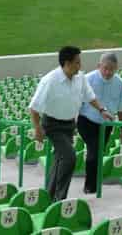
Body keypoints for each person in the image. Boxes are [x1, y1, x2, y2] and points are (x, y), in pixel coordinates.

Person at [29, 46, 112, 201]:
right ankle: (59, 198)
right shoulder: (50, 80)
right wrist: (37, 129)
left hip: (69, 126)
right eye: (77, 63)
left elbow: (89, 96)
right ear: (66, 63)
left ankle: (49, 196)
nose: (80, 66)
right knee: (69, 157)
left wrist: (102, 110)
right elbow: (34, 108)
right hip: (52, 125)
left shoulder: (80, 78)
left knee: (60, 160)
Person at [77, 53, 122, 194]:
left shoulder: (119, 83)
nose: (108, 72)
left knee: (98, 153)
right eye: (105, 68)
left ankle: (94, 183)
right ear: (99, 66)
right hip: (86, 120)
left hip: (106, 124)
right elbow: (77, 101)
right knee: (94, 150)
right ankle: (90, 186)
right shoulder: (88, 79)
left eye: (111, 69)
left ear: (116, 68)